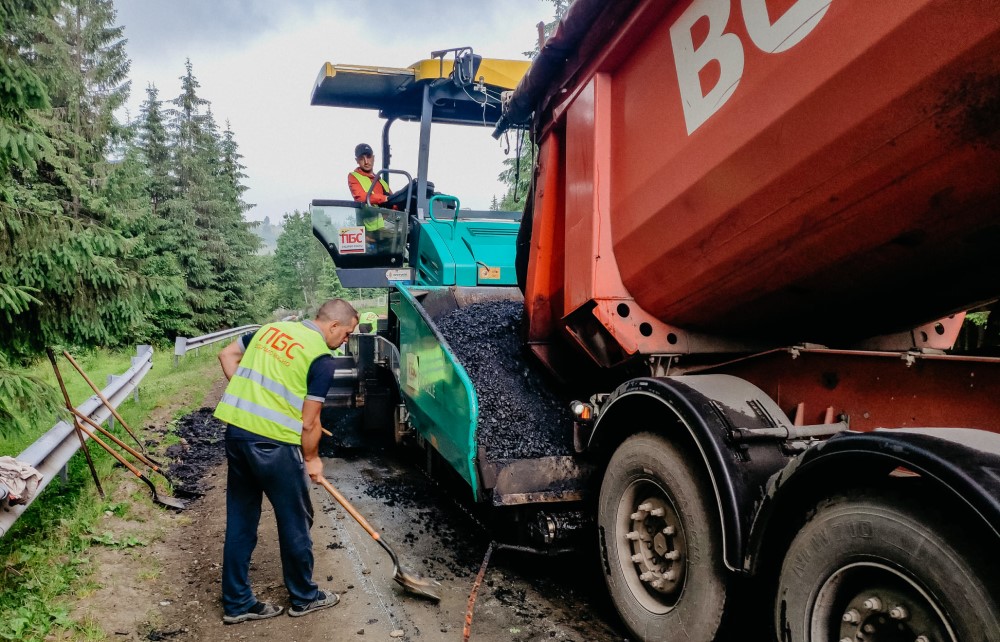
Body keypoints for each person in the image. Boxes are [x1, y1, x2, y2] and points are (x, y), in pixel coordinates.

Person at [213, 299, 359, 624]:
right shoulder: (321, 359)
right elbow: (309, 423)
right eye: (347, 333)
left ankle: (237, 603)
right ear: (333, 326)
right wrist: (312, 459)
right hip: (274, 446)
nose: (346, 340)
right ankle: (304, 598)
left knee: (241, 521)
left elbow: (226, 355)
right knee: (295, 520)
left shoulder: (268, 330)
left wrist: (251, 400)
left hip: (237, 436)